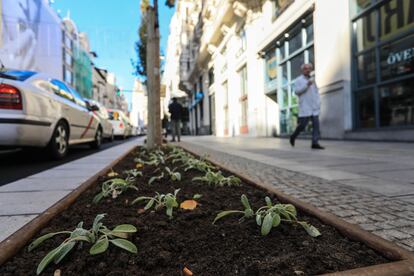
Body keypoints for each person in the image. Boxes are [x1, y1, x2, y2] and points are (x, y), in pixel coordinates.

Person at [289, 63, 325, 150]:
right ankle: (293, 136)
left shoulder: (313, 80)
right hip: (305, 107)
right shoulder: (299, 80)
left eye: (309, 68)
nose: (308, 70)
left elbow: (316, 92)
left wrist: (318, 102)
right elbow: (297, 92)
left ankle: (314, 143)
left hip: (314, 107)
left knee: (316, 125)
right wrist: (307, 85)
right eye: (306, 69)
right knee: (302, 126)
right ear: (302, 70)